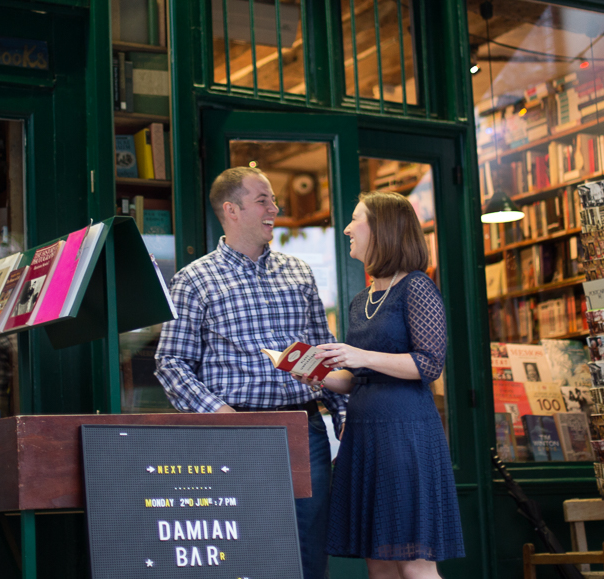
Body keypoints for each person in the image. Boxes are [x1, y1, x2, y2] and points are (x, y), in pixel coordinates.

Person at [155, 167, 345, 579]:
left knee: (310, 546)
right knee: (245, 547)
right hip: (233, 430)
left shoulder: (299, 272)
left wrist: (344, 418)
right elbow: (170, 363)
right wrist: (221, 416)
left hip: (304, 427)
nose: (274, 208)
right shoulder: (194, 280)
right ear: (232, 209)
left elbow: (322, 352)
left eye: (273, 200)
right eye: (263, 200)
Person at [304, 191, 464, 578]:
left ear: (383, 229)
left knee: (414, 565)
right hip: (364, 439)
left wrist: (361, 357)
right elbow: (357, 379)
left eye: (355, 219)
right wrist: (316, 371)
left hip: (405, 437)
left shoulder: (417, 288)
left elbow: (430, 363)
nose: (345, 229)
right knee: (378, 564)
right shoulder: (362, 300)